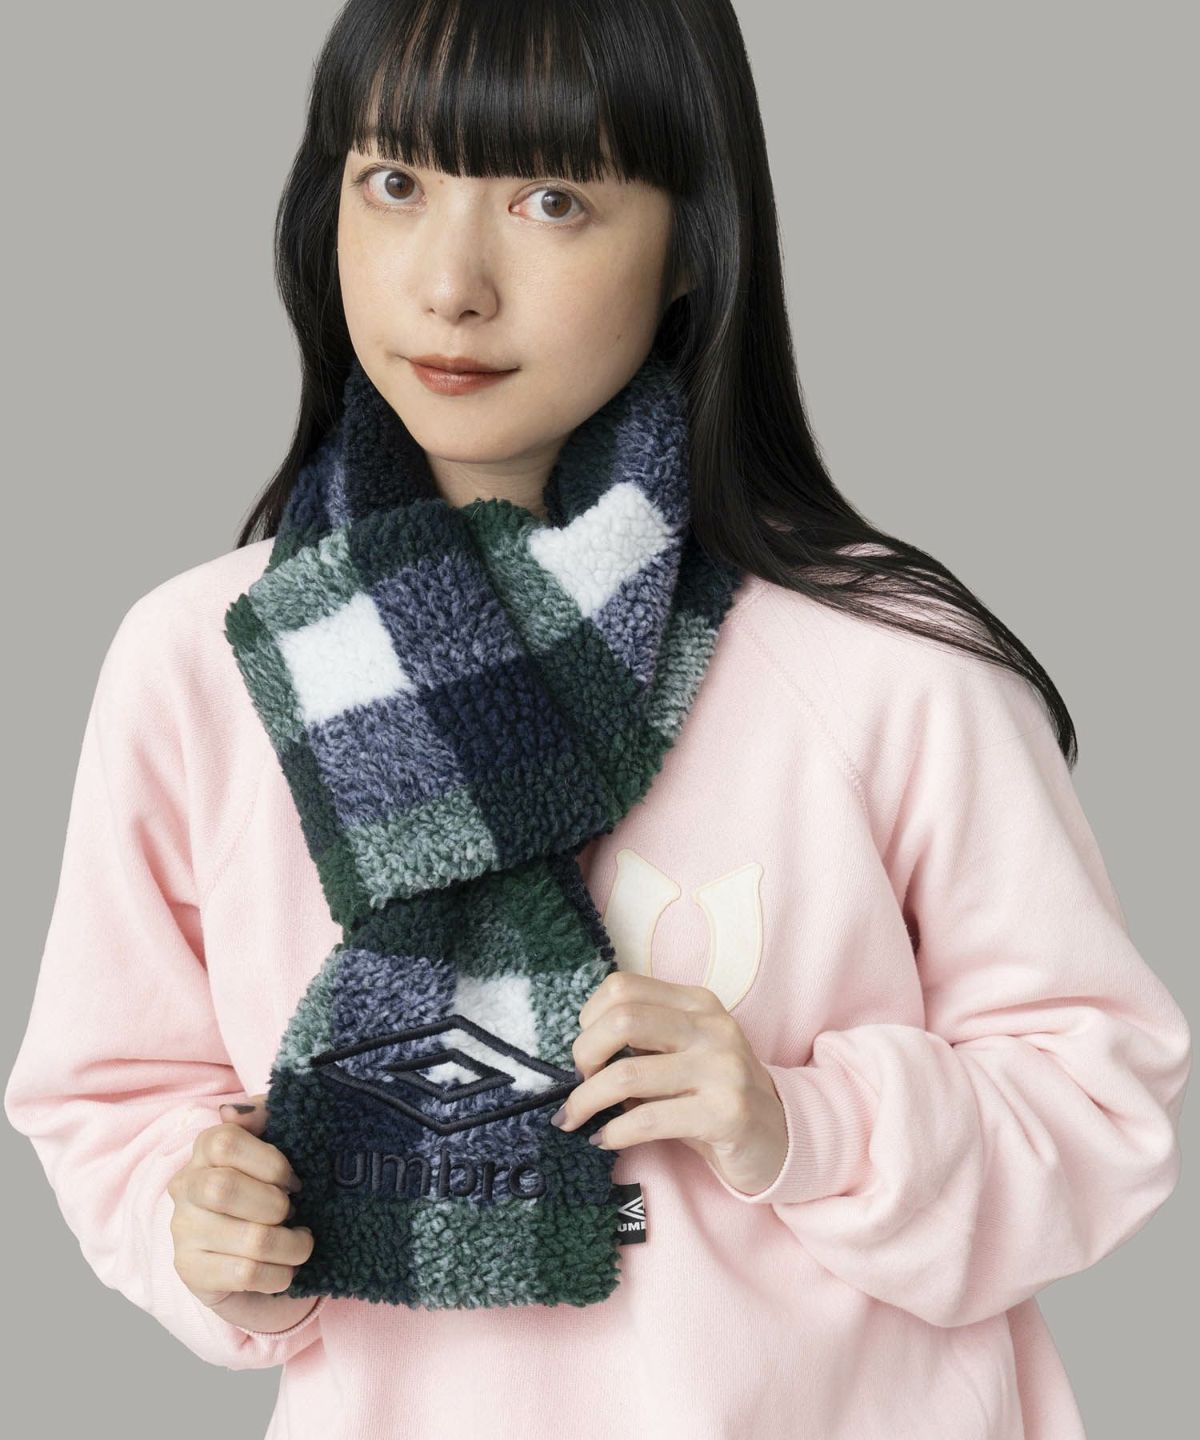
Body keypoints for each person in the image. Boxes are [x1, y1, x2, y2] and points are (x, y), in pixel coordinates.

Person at [5, 1, 1191, 1436]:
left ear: (694, 242)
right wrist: (203, 1233)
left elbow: (1101, 1110)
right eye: (395, 182)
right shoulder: (198, 662)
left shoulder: (886, 664)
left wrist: (797, 1122)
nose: (451, 284)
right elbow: (111, 1098)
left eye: (553, 200)